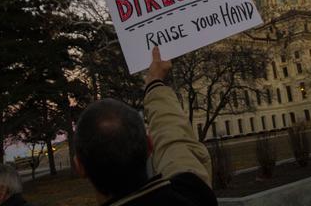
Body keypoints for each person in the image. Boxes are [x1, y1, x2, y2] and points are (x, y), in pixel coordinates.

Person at [74, 47, 217, 206]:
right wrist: (154, 82)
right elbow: (176, 144)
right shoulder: (194, 195)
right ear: (149, 145)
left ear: (80, 166)